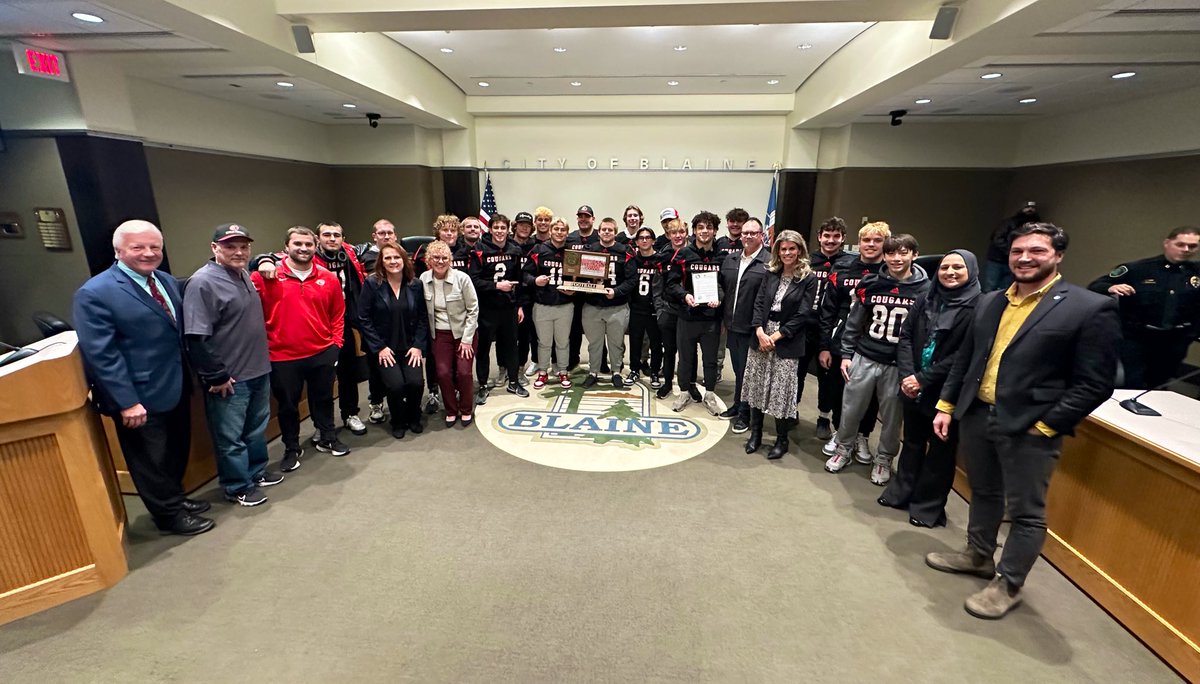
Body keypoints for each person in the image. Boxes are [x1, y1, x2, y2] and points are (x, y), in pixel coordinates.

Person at [926, 222, 1119, 620]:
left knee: (1027, 511)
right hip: (979, 413)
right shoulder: (990, 301)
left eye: (1037, 251)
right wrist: (946, 405)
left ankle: (1009, 582)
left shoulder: (1088, 307)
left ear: (1058, 256)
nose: (1025, 258)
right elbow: (968, 358)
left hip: (1032, 427)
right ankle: (978, 555)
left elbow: (1096, 383)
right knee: (984, 491)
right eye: (1017, 251)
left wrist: (1047, 425)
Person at [73, 220, 214, 536]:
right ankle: (167, 516)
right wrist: (127, 402)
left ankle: (175, 499)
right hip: (137, 396)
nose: (148, 253)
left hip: (174, 384)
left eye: (155, 247)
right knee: (150, 459)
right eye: (139, 247)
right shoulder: (96, 293)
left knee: (175, 450)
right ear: (119, 250)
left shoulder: (163, 279)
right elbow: (101, 355)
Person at [183, 223, 283, 508]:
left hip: (258, 369)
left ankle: (256, 472)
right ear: (215, 248)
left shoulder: (243, 275)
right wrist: (217, 375)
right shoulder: (202, 282)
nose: (238, 252)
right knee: (231, 437)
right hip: (229, 378)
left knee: (255, 428)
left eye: (243, 246)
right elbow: (196, 337)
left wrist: (264, 259)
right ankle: (237, 485)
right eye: (230, 246)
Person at [878, 250, 980, 527]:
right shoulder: (926, 299)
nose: (950, 272)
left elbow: (964, 354)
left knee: (940, 451)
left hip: (947, 391)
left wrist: (923, 378)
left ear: (971, 270)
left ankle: (927, 507)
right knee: (911, 442)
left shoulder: (979, 306)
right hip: (912, 386)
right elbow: (906, 336)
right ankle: (901, 493)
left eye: (958, 267)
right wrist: (908, 375)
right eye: (945, 267)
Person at [824, 234, 929, 485]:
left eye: (903, 253)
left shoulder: (926, 289)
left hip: (898, 364)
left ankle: (883, 459)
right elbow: (854, 322)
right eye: (892, 253)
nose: (896, 258)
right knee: (851, 409)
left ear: (914, 255)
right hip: (866, 355)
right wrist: (847, 354)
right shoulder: (871, 283)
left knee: (893, 418)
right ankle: (843, 449)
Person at [254, 221, 369, 437]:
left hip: (340, 324)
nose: (332, 239)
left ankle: (350, 414)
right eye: (327, 235)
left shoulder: (350, 255)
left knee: (348, 373)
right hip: (311, 331)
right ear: (319, 240)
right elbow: (267, 258)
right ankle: (315, 431)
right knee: (314, 389)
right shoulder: (304, 258)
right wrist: (263, 260)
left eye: (337, 235)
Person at [252, 226, 348, 471]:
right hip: (282, 356)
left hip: (321, 352)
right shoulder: (266, 277)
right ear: (286, 247)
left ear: (315, 247)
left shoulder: (328, 278)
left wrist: (336, 344)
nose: (303, 248)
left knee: (324, 398)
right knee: (287, 406)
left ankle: (327, 436)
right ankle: (291, 448)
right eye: (298, 244)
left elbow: (338, 313)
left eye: (308, 244)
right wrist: (261, 260)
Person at [1087, 225, 1200, 389]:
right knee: (1132, 383)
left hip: (1175, 340)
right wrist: (1110, 288)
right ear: (1167, 243)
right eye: (1180, 244)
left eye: (1192, 246)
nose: (1186, 249)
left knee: (1159, 384)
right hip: (1138, 337)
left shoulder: (1196, 272)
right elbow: (1096, 285)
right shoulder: (1139, 269)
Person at [743, 230, 818, 459]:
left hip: (787, 340)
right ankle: (755, 434)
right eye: (783, 249)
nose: (787, 253)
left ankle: (781, 439)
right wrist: (759, 331)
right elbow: (758, 304)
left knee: (781, 391)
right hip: (761, 334)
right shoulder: (770, 272)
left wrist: (775, 337)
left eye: (792, 249)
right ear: (777, 251)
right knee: (756, 385)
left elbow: (803, 314)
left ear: (800, 250)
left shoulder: (808, 278)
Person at [818, 221, 889, 464]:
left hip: (874, 344)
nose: (871, 245)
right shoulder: (843, 269)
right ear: (858, 243)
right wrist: (825, 346)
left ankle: (862, 436)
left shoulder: (890, 273)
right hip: (841, 341)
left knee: (871, 397)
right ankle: (840, 433)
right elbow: (827, 311)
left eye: (877, 240)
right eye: (866, 240)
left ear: (885, 244)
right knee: (841, 391)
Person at [357, 242, 428, 439]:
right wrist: (379, 347)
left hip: (409, 347)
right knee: (395, 385)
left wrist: (418, 346)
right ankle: (397, 420)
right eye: (387, 257)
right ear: (381, 261)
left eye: (396, 257)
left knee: (415, 383)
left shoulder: (415, 284)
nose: (393, 261)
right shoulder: (372, 283)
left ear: (404, 260)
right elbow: (363, 317)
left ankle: (414, 416)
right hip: (385, 348)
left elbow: (423, 317)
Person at [666, 210, 725, 415]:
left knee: (710, 359)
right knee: (685, 358)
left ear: (715, 231)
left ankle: (709, 394)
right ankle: (683, 392)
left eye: (709, 227)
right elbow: (671, 284)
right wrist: (684, 296)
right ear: (694, 230)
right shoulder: (683, 254)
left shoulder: (722, 255)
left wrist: (720, 297)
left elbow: (725, 285)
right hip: (687, 317)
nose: (705, 231)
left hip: (711, 319)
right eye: (700, 227)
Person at [466, 213, 530, 400]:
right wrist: (496, 286)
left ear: (508, 230)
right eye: (496, 228)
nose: (500, 231)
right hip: (487, 308)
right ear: (490, 229)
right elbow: (473, 280)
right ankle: (484, 385)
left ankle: (513, 382)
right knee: (484, 347)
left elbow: (519, 280)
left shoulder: (515, 249)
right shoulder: (479, 249)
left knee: (511, 345)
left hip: (508, 307)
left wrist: (519, 306)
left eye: (503, 228)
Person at [420, 239, 480, 427]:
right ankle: (451, 410)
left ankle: (466, 409)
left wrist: (467, 339)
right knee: (443, 373)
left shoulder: (462, 279)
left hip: (464, 334)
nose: (440, 261)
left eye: (444, 257)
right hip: (440, 335)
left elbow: (473, 309)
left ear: (450, 259)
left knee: (463, 372)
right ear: (429, 260)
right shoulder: (423, 279)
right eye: (436, 257)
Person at [718, 217, 769, 433]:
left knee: (750, 373)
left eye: (752, 233)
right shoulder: (731, 260)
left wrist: (760, 328)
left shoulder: (769, 262)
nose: (747, 236)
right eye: (745, 233)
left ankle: (745, 414)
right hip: (733, 326)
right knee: (739, 371)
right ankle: (738, 405)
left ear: (761, 236)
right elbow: (721, 287)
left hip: (754, 328)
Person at [807, 217, 855, 441]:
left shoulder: (849, 264)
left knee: (829, 376)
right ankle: (790, 413)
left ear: (843, 238)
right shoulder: (808, 261)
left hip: (833, 328)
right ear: (819, 237)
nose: (831, 240)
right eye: (826, 236)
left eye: (836, 236)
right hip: (806, 325)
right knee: (797, 373)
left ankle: (825, 418)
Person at [413, 214, 462, 414]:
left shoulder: (466, 251)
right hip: (431, 315)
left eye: (453, 230)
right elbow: (415, 282)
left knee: (458, 358)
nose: (449, 234)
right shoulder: (424, 253)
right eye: (445, 230)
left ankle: (457, 390)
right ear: (437, 232)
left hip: (457, 313)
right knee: (435, 358)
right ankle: (434, 392)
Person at [581, 217, 637, 388]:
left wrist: (616, 292)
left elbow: (631, 279)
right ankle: (593, 372)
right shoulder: (589, 250)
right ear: (599, 231)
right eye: (603, 229)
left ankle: (616, 372)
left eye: (610, 230)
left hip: (617, 306)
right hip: (592, 305)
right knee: (594, 343)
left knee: (616, 342)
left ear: (615, 232)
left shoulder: (625, 251)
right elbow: (579, 275)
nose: (606, 232)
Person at [356, 218, 398, 426]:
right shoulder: (363, 256)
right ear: (374, 236)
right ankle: (376, 402)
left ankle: (397, 401)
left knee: (396, 365)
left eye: (389, 232)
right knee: (376, 366)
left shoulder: (400, 255)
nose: (386, 236)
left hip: (398, 322)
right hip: (374, 322)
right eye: (381, 233)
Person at [525, 217, 575, 389]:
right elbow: (525, 275)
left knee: (562, 342)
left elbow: (581, 278)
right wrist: (535, 280)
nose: (559, 232)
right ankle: (543, 372)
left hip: (565, 304)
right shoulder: (539, 249)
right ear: (551, 231)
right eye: (556, 229)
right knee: (544, 342)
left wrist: (574, 289)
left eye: (563, 229)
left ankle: (562, 371)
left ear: (567, 232)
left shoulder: (572, 252)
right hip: (542, 304)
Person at [655, 218, 689, 399]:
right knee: (669, 350)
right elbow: (657, 286)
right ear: (668, 235)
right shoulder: (663, 255)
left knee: (689, 352)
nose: (678, 236)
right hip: (668, 310)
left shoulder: (693, 253)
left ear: (686, 233)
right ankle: (667, 383)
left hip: (689, 312)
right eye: (673, 233)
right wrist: (660, 310)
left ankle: (689, 385)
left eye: (681, 232)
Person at [627, 226, 664, 388]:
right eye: (640, 238)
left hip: (654, 309)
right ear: (636, 242)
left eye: (647, 237)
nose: (644, 240)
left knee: (656, 344)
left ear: (653, 240)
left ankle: (655, 372)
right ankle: (634, 370)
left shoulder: (660, 260)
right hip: (637, 308)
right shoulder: (633, 261)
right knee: (635, 342)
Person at [567, 205, 601, 371]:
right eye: (580, 216)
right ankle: (573, 358)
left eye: (587, 216)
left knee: (598, 327)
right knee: (574, 327)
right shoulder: (570, 238)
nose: (583, 219)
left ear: (593, 219)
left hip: (595, 290)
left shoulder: (599, 237)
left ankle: (601, 361)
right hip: (575, 291)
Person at [983, 201, 1040, 292]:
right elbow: (997, 238)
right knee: (990, 287)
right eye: (1028, 207)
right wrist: (1011, 251)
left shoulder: (1037, 226)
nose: (1030, 210)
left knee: (1007, 288)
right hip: (997, 259)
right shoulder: (1010, 223)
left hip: (1013, 261)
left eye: (1032, 208)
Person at [511, 211, 540, 378]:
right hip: (509, 296)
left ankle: (524, 365)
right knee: (508, 336)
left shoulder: (535, 246)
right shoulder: (506, 245)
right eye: (521, 224)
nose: (524, 228)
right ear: (515, 226)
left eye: (527, 226)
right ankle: (507, 367)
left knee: (528, 335)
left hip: (529, 296)